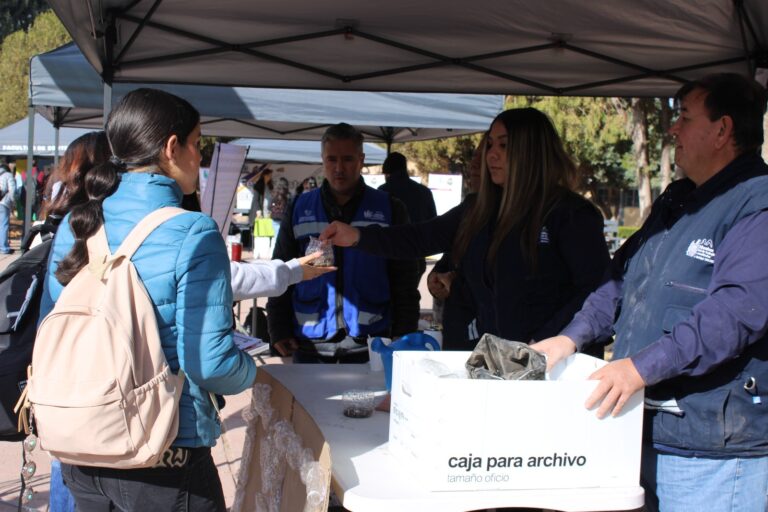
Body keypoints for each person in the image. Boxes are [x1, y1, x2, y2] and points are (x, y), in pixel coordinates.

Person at [532, 73, 768, 512]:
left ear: (723, 130)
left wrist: (638, 369)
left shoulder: (757, 203)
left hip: (710, 451)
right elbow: (618, 281)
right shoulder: (678, 199)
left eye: (683, 117)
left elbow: (736, 312)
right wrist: (570, 338)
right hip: (643, 430)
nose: (672, 128)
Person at [40, 88, 256, 511]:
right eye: (197, 144)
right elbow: (209, 364)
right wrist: (252, 372)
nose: (201, 157)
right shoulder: (194, 231)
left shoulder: (78, 222)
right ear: (172, 148)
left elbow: (57, 323)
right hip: (166, 451)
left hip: (82, 447)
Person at [322, 108, 609, 349]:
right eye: (490, 145)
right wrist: (358, 236)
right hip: (495, 362)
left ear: (531, 151)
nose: (491, 155)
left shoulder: (571, 214)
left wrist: (554, 339)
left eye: (504, 145)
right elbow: (421, 237)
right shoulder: (480, 208)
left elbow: (597, 292)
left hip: (555, 367)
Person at [267, 123, 420, 363]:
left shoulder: (390, 208)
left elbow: (406, 278)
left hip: (371, 344)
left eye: (348, 159)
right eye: (332, 159)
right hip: (309, 345)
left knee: (362, 403)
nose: (339, 168)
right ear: (323, 160)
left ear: (361, 160)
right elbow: (281, 271)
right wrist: (278, 328)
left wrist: (404, 332)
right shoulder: (299, 207)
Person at [427, 136, 485, 349]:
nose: (475, 165)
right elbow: (448, 255)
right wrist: (436, 278)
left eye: (483, 157)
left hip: (483, 344)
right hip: (457, 336)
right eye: (475, 157)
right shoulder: (470, 210)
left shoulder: (512, 217)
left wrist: (457, 286)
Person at [379, 152, 437, 279]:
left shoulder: (382, 192)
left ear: (387, 172)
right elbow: (433, 223)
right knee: (411, 295)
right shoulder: (424, 192)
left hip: (389, 257)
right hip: (417, 256)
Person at [0, 163, 16, 254]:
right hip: (3, 203)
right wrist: (12, 203)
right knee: (3, 225)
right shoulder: (8, 175)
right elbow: (12, 191)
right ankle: (4, 248)